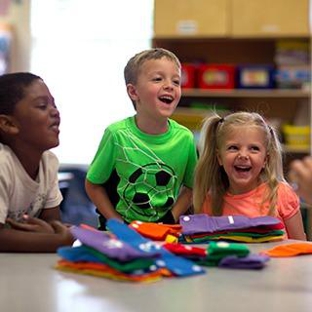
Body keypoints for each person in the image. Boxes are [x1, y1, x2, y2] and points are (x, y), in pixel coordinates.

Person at [85, 48, 198, 229]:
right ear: (133, 92)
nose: (170, 85)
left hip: (164, 233)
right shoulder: (117, 135)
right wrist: (117, 222)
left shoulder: (185, 138)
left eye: (176, 81)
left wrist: (171, 219)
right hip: (118, 235)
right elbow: (93, 185)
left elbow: (193, 187)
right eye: (157, 79)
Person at [193, 111, 306, 240]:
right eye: (233, 148)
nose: (243, 155)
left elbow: (300, 246)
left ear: (265, 160)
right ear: (219, 158)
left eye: (254, 148)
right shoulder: (210, 202)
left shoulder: (281, 194)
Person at [0, 72, 74, 252]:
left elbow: (53, 223)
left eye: (54, 104)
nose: (55, 111)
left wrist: (54, 232)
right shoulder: (2, 163)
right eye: (42, 106)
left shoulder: (48, 162)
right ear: (9, 124)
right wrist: (59, 241)